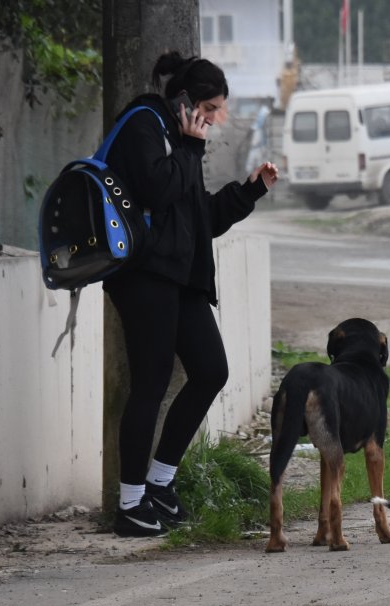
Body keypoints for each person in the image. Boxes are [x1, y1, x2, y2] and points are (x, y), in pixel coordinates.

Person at [104, 51, 278, 536]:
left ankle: (160, 484)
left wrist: (250, 191)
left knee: (210, 371)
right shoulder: (144, 124)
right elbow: (158, 191)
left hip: (179, 279)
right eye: (212, 108)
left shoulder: (179, 142)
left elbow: (197, 218)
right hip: (143, 276)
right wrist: (191, 148)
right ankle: (130, 504)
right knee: (150, 386)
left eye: (220, 109)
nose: (217, 119)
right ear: (185, 102)